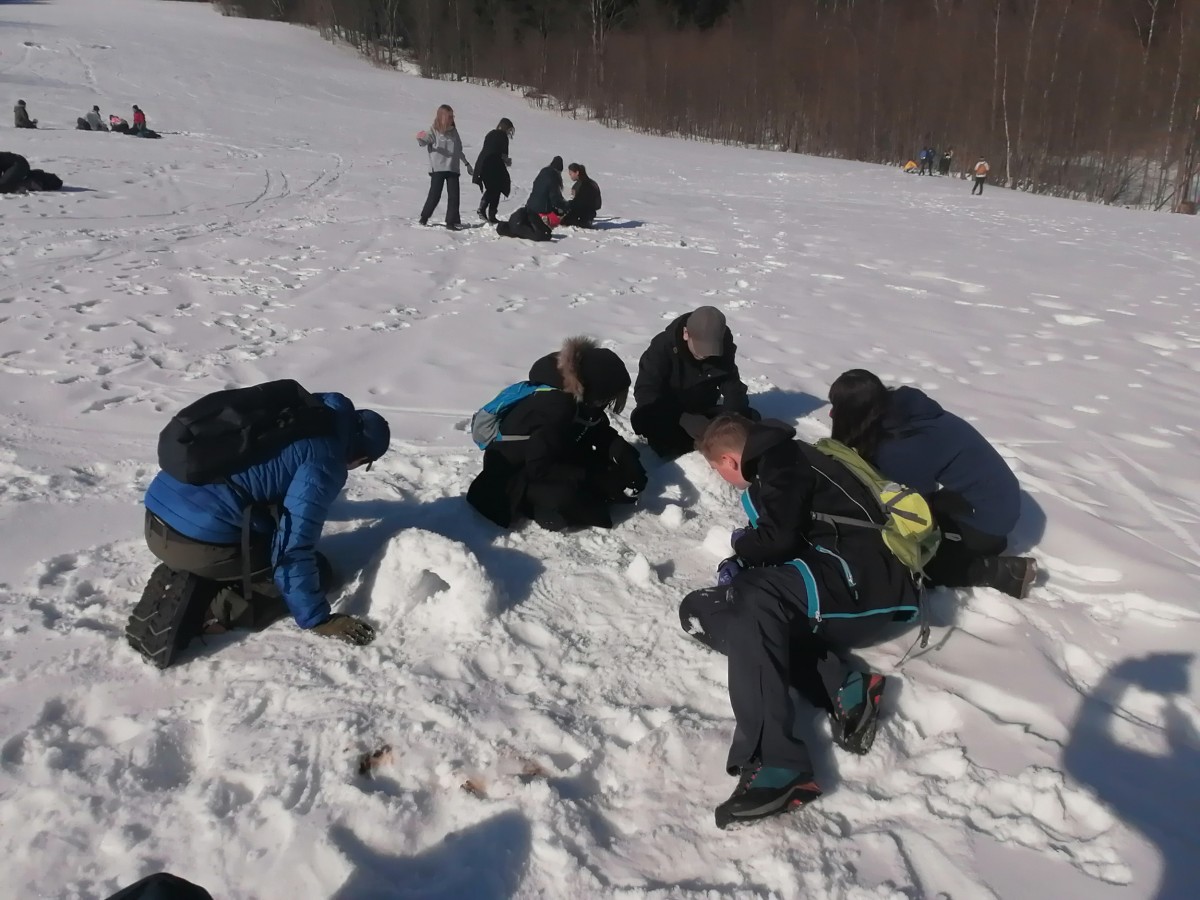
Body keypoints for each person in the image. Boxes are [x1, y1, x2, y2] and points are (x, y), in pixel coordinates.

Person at [680, 414, 921, 829]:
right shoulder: (779, 461)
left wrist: (743, 548)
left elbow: (777, 539)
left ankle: (776, 763)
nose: (724, 479)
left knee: (755, 596)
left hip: (865, 587)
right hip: (833, 580)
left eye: (719, 470)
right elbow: (787, 535)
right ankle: (844, 685)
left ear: (730, 461)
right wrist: (743, 563)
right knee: (701, 609)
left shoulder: (782, 460)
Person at [131, 386, 391, 666]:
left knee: (258, 531)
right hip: (195, 543)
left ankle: (192, 570)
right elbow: (293, 546)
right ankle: (209, 608)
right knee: (319, 571)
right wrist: (317, 618)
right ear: (361, 457)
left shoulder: (302, 412)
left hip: (156, 515)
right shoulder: (326, 460)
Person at [827, 369, 1035, 598]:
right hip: (982, 500)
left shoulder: (902, 445)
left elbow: (913, 512)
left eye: (838, 408)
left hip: (987, 521)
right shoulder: (900, 410)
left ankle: (1000, 572)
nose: (831, 414)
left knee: (899, 563)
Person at [466, 337, 646, 531]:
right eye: (610, 397)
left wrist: (624, 454)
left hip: (550, 456)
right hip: (513, 478)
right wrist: (591, 477)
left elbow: (594, 427)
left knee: (611, 476)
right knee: (584, 503)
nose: (610, 403)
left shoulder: (578, 397)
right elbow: (539, 467)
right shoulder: (556, 407)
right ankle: (534, 507)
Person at [631, 306, 756, 459]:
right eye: (700, 349)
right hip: (668, 411)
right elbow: (646, 393)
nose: (704, 355)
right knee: (652, 426)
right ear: (686, 334)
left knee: (748, 419)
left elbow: (732, 386)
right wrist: (682, 418)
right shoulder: (662, 347)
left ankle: (711, 442)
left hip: (702, 409)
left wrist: (731, 420)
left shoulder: (723, 346)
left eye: (710, 351)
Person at [417, 104, 472, 229]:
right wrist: (420, 138)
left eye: (453, 116)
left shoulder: (454, 132)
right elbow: (424, 141)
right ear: (442, 117)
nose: (452, 119)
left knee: (454, 196)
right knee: (435, 195)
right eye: (449, 116)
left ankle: (451, 222)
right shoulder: (434, 130)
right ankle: (424, 217)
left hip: (453, 168)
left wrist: (466, 164)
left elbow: (458, 150)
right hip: (438, 169)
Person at [473, 117, 514, 224]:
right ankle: (485, 209)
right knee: (496, 188)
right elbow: (503, 155)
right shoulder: (503, 137)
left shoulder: (490, 134)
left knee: (493, 188)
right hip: (493, 165)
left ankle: (490, 213)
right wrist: (507, 161)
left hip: (482, 164)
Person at [559, 162, 602, 227]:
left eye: (571, 174)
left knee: (563, 221)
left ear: (577, 172)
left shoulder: (578, 186)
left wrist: (567, 205)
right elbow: (598, 205)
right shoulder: (593, 183)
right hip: (590, 213)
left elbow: (576, 202)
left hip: (581, 213)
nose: (570, 176)